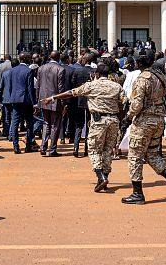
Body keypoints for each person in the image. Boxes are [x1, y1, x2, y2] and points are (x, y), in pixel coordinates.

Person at [45, 62, 127, 191]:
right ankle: (104, 176)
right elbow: (124, 103)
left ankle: (101, 176)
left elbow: (72, 93)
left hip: (98, 121)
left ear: (97, 74)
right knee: (108, 149)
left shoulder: (92, 85)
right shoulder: (117, 86)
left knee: (94, 149)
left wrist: (53, 97)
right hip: (113, 120)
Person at [121, 53, 166, 205]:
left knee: (135, 156)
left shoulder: (142, 78)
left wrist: (127, 118)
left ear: (140, 62)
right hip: (159, 120)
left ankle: (137, 193)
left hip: (144, 121)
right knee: (152, 154)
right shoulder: (160, 76)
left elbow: (136, 105)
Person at [36, 51, 66, 157]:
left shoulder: (41, 68)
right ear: (59, 58)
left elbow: (38, 86)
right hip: (55, 101)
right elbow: (61, 88)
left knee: (46, 124)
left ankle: (43, 147)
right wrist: (63, 104)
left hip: (44, 100)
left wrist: (38, 101)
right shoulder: (60, 69)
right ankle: (52, 149)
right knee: (55, 126)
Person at [6, 52, 37, 154]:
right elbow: (30, 89)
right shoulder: (29, 71)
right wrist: (34, 103)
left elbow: (10, 87)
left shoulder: (12, 71)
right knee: (29, 123)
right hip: (26, 100)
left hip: (15, 99)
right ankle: (28, 145)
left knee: (15, 122)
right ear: (26, 59)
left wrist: (11, 98)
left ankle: (16, 146)